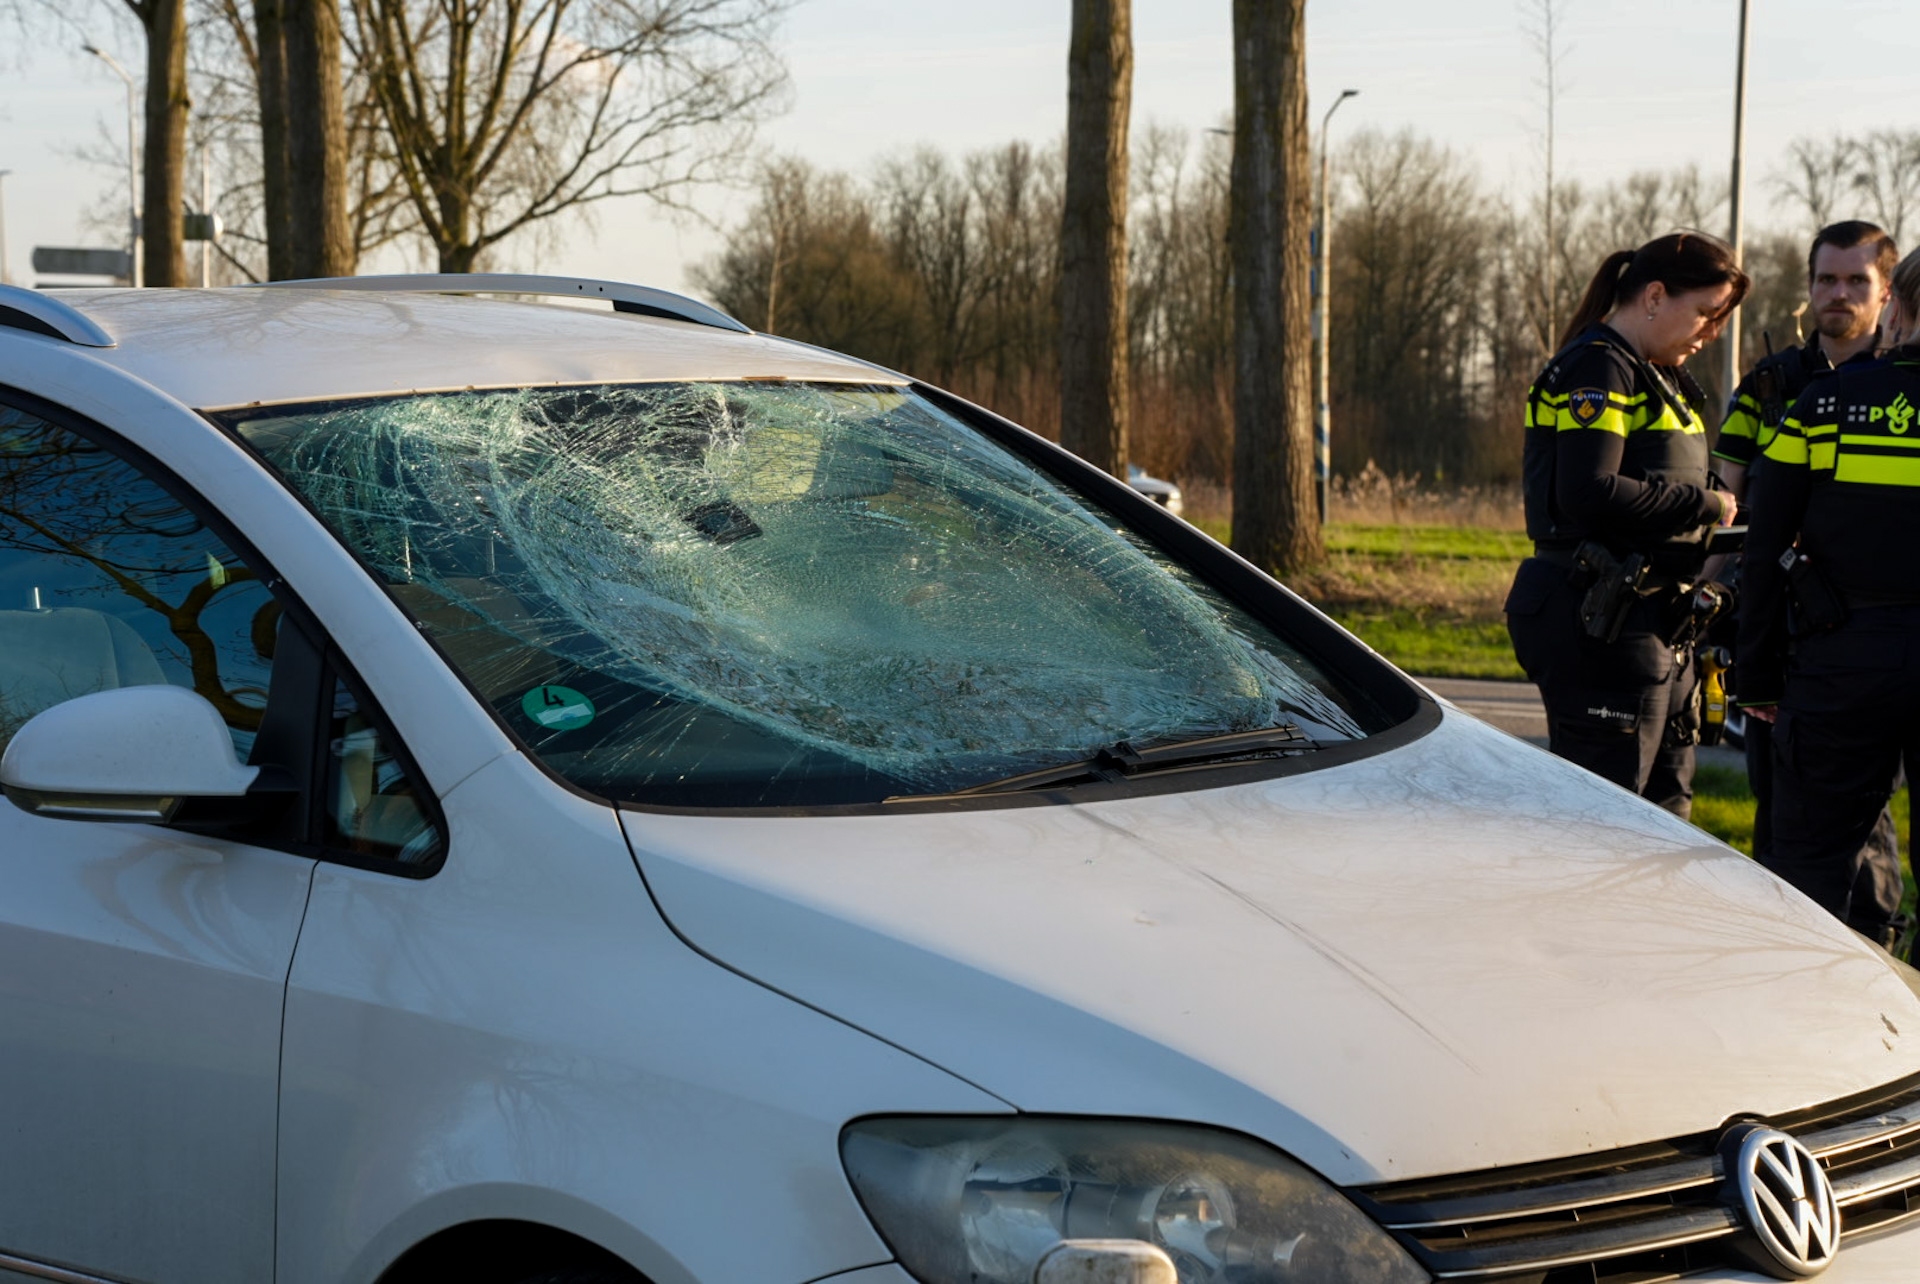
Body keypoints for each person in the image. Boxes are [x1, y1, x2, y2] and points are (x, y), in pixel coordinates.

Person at [1506, 232, 1746, 817]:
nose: (1711, 332)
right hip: (1601, 618)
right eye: (1707, 314)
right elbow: (1588, 491)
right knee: (1605, 822)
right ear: (1656, 295)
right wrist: (1702, 506)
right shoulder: (1599, 366)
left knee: (1664, 814)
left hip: (1654, 618)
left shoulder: (1657, 374)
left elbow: (1653, 474)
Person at [1714, 220, 1905, 945]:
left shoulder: (1898, 389)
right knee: (1784, 808)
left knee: (1871, 816)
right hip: (1783, 634)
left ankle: (1875, 941)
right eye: (1826, 279)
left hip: (1861, 639)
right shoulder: (1770, 386)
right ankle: (1787, 947)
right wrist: (1709, 600)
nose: (1839, 294)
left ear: (1887, 294)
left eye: (1857, 281)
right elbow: (1728, 502)